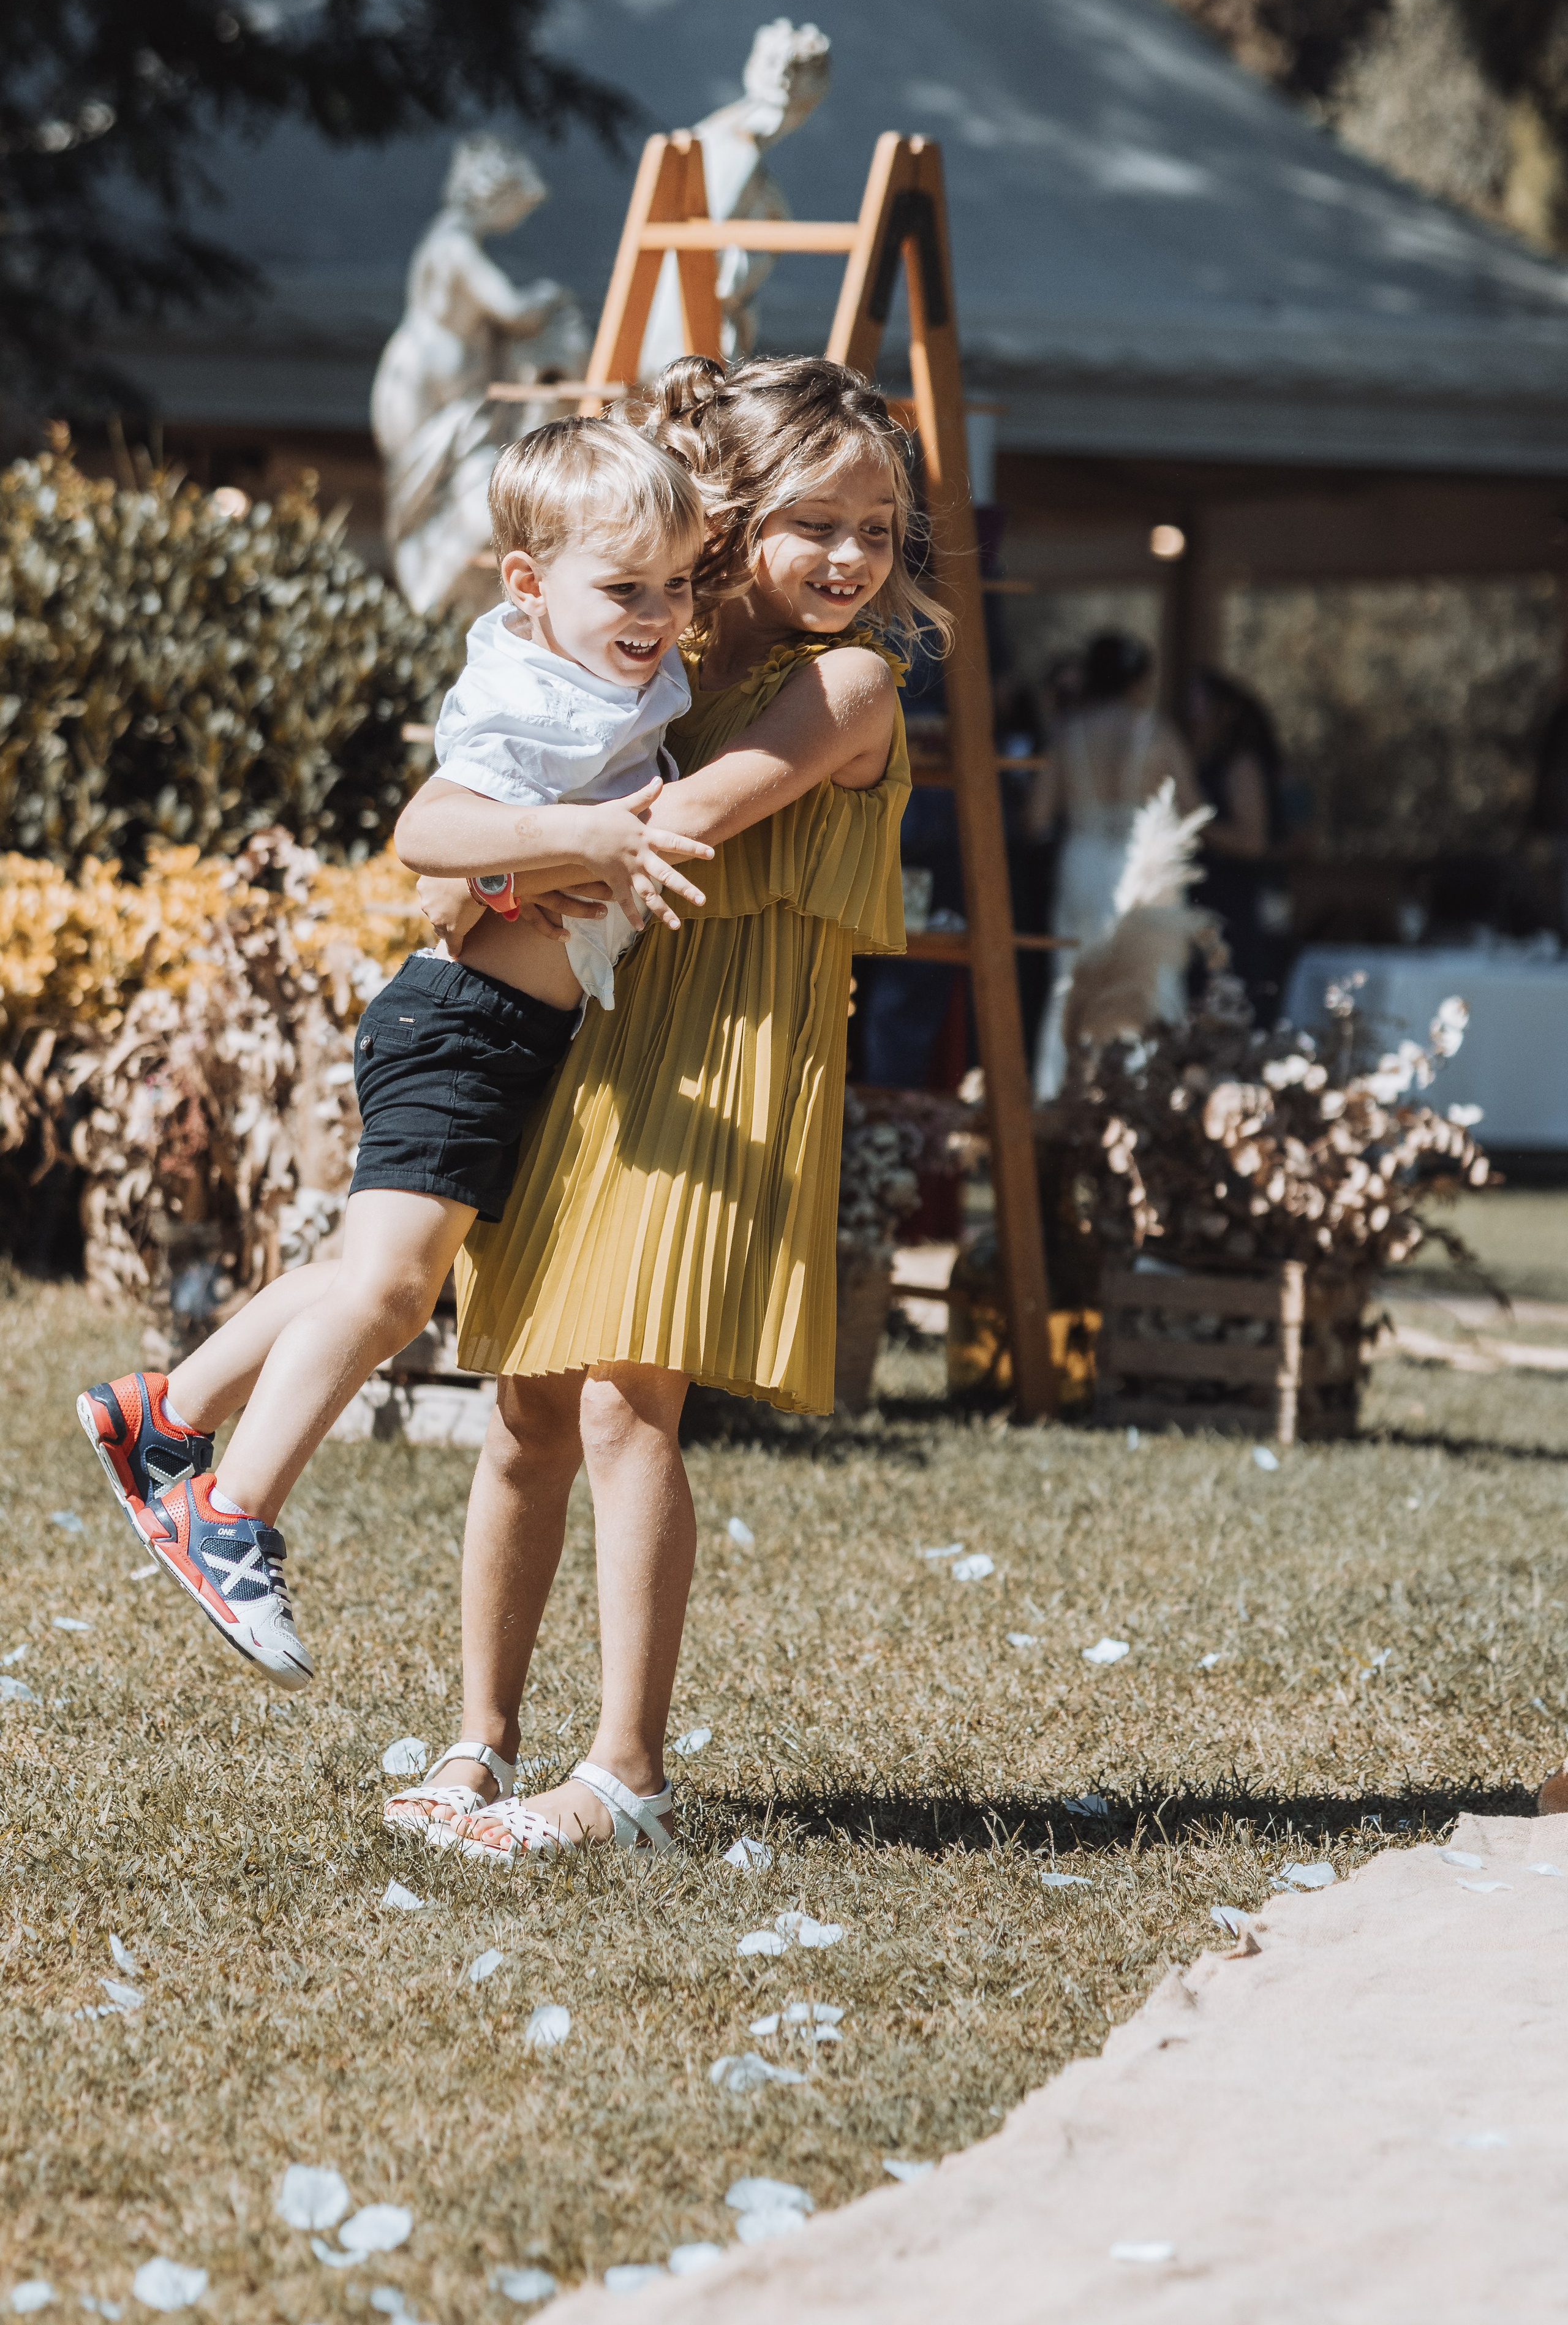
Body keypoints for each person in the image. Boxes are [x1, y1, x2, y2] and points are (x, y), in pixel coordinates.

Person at [383, 353, 938, 1859]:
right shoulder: (649, 670)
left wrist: (500, 846)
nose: (850, 558)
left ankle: (625, 1769)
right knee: (524, 1405)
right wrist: (501, 846)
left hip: (725, 1064)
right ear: (732, 520)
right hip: (589, 1050)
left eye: (877, 532)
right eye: (817, 523)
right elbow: (467, 852)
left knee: (629, 1393)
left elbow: (659, 827)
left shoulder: (845, 682)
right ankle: (479, 1740)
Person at [75, 418, 716, 1692]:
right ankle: (227, 1510)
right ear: (527, 586)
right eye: (625, 588)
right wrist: (568, 841)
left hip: (508, 1035)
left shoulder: (617, 669)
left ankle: (164, 1410)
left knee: (358, 1270)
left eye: (678, 585)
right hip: (459, 1027)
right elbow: (428, 832)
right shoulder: (523, 690)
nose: (659, 613)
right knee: (389, 1295)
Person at [1028, 630, 1197, 1099]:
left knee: (1071, 979)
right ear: (1140, 679)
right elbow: (1192, 809)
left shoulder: (1069, 733)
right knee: (1151, 979)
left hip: (1082, 858)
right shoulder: (1158, 733)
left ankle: (1064, 1095)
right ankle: (1149, 1101)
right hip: (1141, 860)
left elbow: (1037, 817)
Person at [1184, 666, 1290, 1020]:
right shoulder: (1206, 760)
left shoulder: (1241, 765)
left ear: (1224, 712)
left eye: (1199, 705)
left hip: (1230, 903)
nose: (1191, 715)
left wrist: (1191, 822)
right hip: (1206, 901)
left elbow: (1252, 842)